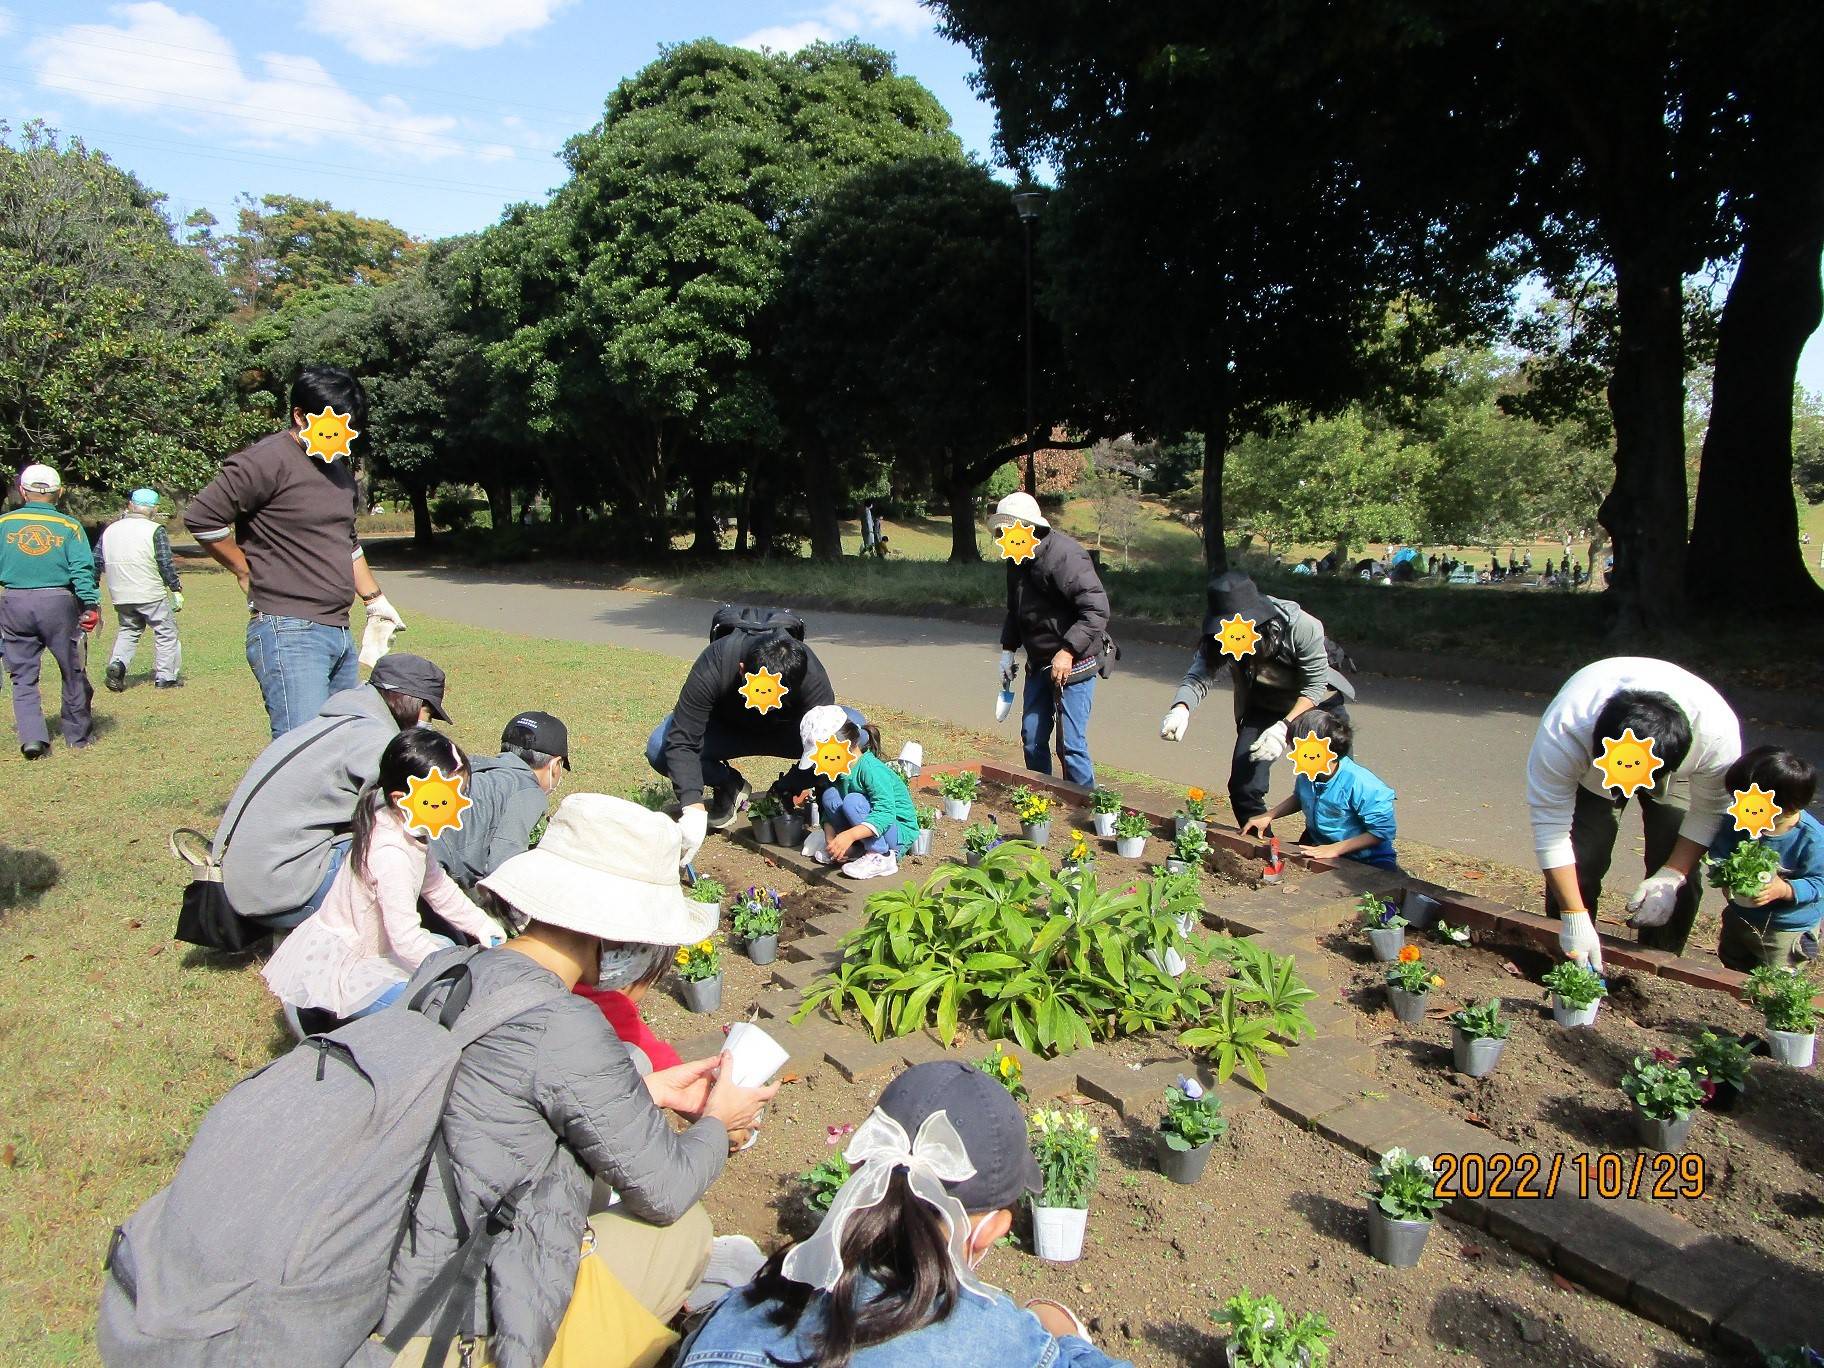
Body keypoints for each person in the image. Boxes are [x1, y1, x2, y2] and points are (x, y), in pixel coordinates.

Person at [374, 794, 779, 1366]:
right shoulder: (566, 1023)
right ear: (618, 936)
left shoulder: (451, 971)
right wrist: (718, 1120)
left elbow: (500, 1099)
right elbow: (665, 1190)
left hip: (397, 1257)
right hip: (459, 1310)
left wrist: (650, 1091)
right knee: (684, 1232)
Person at [677, 1059, 1129, 1368]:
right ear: (992, 1229)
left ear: (861, 1172)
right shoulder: (1003, 1343)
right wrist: (1060, 1333)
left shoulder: (737, 1315)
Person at [184, 365, 407, 739]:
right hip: (289, 629)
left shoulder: (338, 468)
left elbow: (345, 539)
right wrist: (242, 569)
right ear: (300, 416)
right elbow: (203, 518)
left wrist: (375, 601)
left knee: (339, 744)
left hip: (337, 629)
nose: (340, 437)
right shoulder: (267, 460)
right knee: (300, 750)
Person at [262, 728, 507, 1028]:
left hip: (380, 950)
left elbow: (439, 887)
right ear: (402, 799)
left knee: (446, 947)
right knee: (434, 1000)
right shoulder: (391, 854)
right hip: (354, 964)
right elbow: (405, 940)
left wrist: (484, 927)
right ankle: (320, 1016)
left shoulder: (408, 832)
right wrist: (458, 967)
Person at [214, 653, 453, 932]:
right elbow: (408, 817)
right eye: (428, 711)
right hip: (276, 893)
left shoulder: (337, 721)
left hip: (243, 880)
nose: (428, 722)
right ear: (409, 701)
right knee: (395, 845)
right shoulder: (373, 738)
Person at [1526, 657, 1743, 965]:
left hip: (1676, 775)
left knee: (1677, 862)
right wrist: (1574, 916)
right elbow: (1550, 828)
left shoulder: (1716, 737)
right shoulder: (1565, 731)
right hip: (1594, 775)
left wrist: (1672, 875)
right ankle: (1572, 959)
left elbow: (1710, 811)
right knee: (1583, 858)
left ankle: (1657, 965)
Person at [645, 611, 845, 866]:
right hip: (727, 732)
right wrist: (692, 807)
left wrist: (790, 787)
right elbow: (683, 739)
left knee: (851, 730)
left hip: (785, 734)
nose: (767, 707)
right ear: (741, 670)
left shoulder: (808, 671)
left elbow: (827, 741)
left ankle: (783, 792)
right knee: (659, 746)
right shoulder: (716, 662)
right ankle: (728, 784)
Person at [1160, 570, 1354, 826]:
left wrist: (1283, 729)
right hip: (1266, 705)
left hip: (1316, 709)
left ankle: (1328, 851)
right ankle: (1259, 844)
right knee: (1243, 785)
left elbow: (1315, 685)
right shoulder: (1222, 636)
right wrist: (1181, 708)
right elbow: (1199, 675)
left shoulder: (1301, 626)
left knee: (1332, 784)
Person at [990, 492, 1110, 786]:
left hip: (1076, 662)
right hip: (1039, 662)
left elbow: (1096, 609)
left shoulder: (1066, 556)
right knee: (1031, 737)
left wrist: (1068, 651)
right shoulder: (1016, 558)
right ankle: (1041, 799)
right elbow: (1015, 609)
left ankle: (1083, 807)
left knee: (1070, 745)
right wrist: (1008, 651)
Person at [1, 463, 100, 758]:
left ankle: (33, 739)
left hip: (14, 602)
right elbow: (82, 569)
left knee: (22, 675)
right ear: (59, 492)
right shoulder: (69, 526)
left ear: (22, 491)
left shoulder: (3, 524)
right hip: (58, 602)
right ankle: (77, 736)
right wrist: (90, 604)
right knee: (73, 668)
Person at [1240, 710, 1400, 871]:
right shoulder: (1310, 772)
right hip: (1324, 849)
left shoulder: (1362, 784)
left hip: (1369, 860)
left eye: (1295, 747)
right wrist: (1269, 815)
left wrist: (1335, 849)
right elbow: (1300, 797)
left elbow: (1382, 831)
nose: (1292, 752)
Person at [1709, 747, 1822, 972]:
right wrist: (1723, 874)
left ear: (1790, 808)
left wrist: (1785, 889)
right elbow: (1720, 851)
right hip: (1740, 916)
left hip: (1786, 930)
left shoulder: (1811, 838)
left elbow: (1820, 881)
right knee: (1732, 964)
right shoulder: (1738, 822)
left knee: (1777, 979)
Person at [431, 710, 568, 889]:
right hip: (433, 874)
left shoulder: (472, 766)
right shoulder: (528, 791)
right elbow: (502, 868)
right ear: (555, 765)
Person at [794, 705, 918, 880]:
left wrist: (849, 835)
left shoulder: (871, 769)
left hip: (897, 833)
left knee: (853, 800)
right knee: (829, 796)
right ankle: (856, 850)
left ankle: (880, 856)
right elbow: (829, 808)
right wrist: (831, 835)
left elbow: (885, 812)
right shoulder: (836, 769)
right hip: (865, 828)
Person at [97, 488, 184, 692]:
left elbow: (96, 560)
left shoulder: (110, 530)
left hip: (119, 592)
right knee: (166, 632)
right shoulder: (154, 529)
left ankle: (117, 664)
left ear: (131, 505)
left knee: (129, 630)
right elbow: (164, 561)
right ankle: (166, 677)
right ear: (154, 509)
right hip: (149, 591)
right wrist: (175, 587)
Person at [571, 942, 683, 1072]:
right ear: (628, 975)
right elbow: (664, 1065)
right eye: (650, 981)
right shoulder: (613, 1007)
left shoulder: (560, 986)